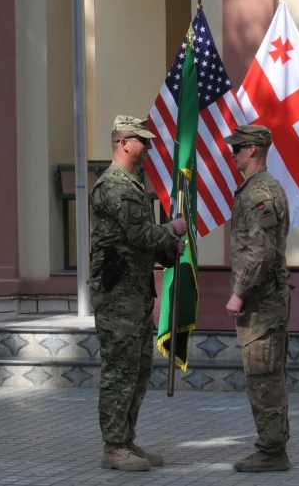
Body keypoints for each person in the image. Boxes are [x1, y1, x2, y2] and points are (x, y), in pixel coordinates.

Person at [89, 115, 186, 472]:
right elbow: (139, 234)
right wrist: (170, 231)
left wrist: (167, 248)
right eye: (142, 141)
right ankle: (113, 446)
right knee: (120, 371)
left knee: (138, 370)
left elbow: (142, 240)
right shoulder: (114, 185)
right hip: (117, 295)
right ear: (124, 141)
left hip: (135, 292)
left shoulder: (131, 184)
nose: (147, 148)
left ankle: (126, 439)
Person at [224, 124, 291, 472]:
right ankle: (274, 446)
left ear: (253, 150)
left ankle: (271, 451)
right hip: (267, 299)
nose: (233, 154)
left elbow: (262, 251)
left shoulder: (259, 193)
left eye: (237, 148)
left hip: (261, 302)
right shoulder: (263, 188)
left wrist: (238, 293)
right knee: (269, 375)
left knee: (263, 377)